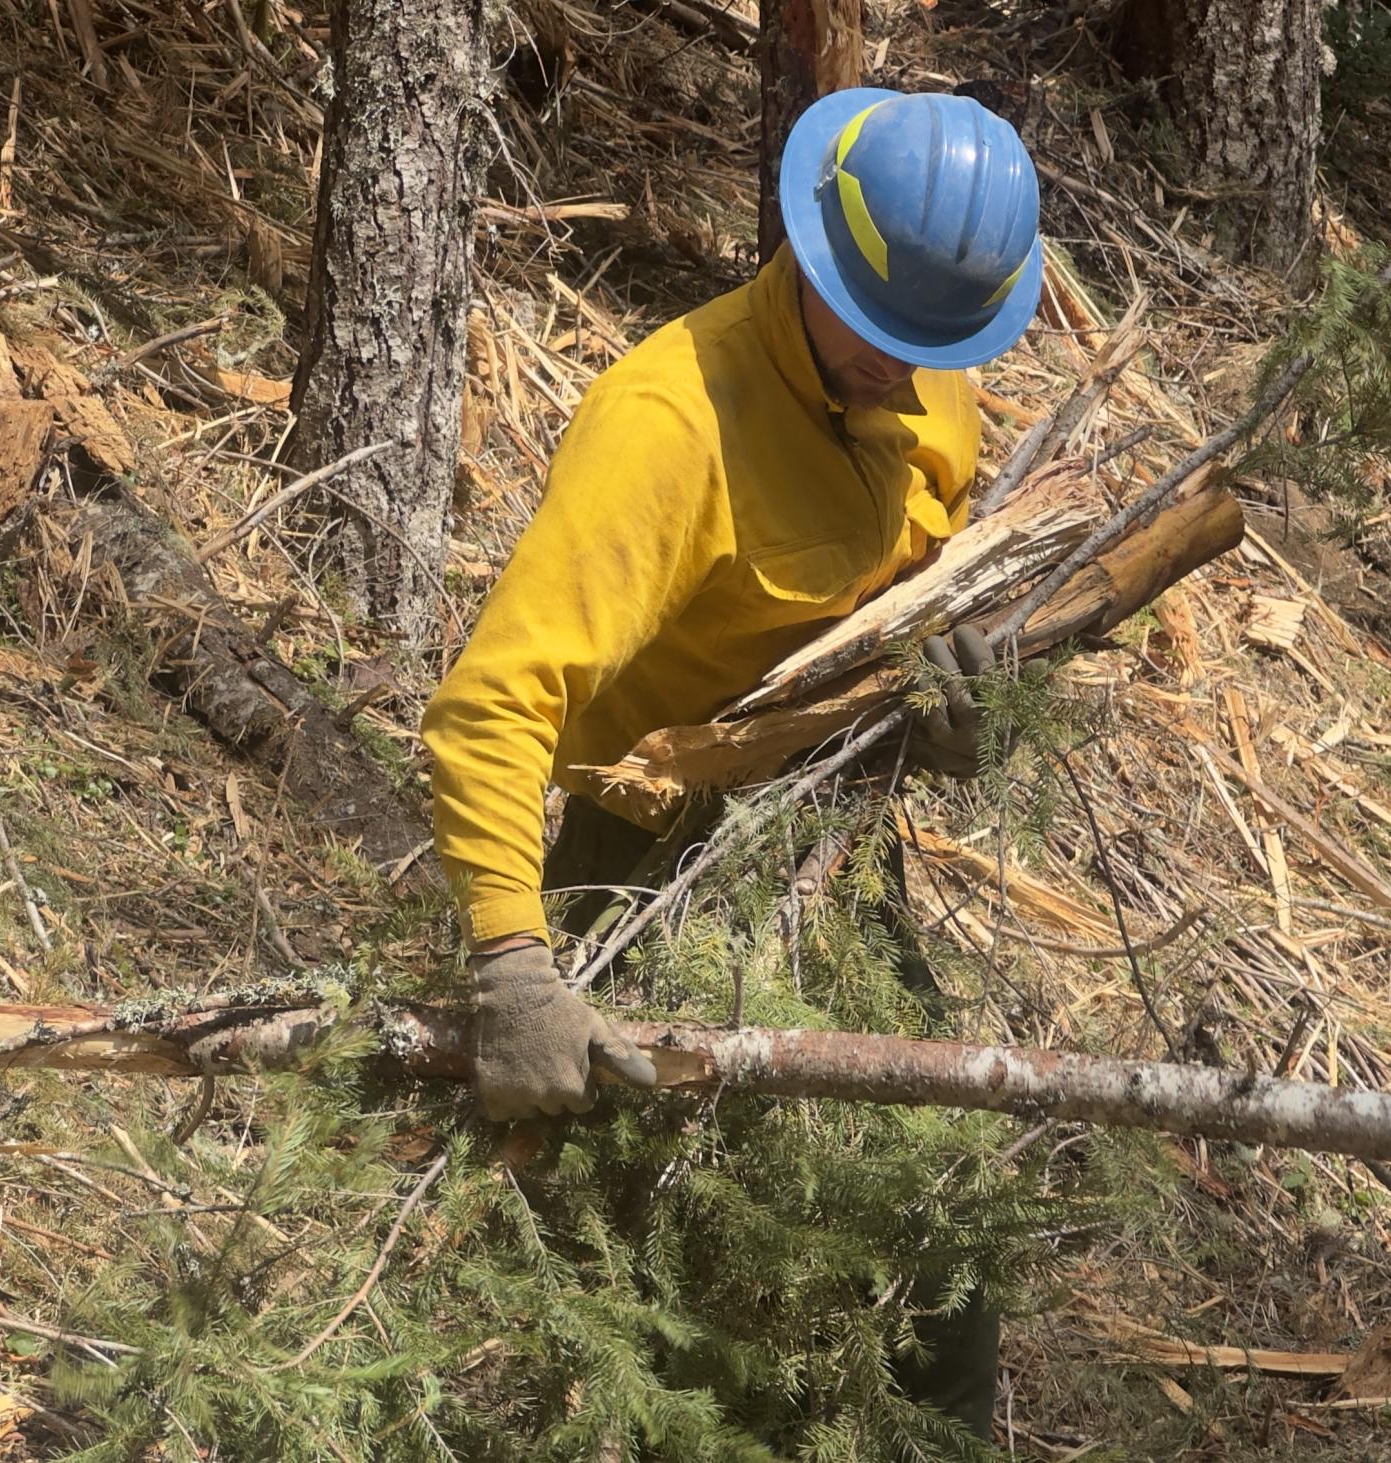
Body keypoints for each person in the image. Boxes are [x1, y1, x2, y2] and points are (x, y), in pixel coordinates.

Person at [419, 87, 1042, 1438]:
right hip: (643, 865)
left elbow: (901, 601)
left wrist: (938, 711)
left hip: (817, 844)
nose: (897, 367)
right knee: (665, 1295)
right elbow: (491, 701)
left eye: (926, 343)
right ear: (815, 249)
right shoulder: (670, 424)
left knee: (930, 1226)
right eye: (876, 332)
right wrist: (514, 966)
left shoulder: (931, 374)